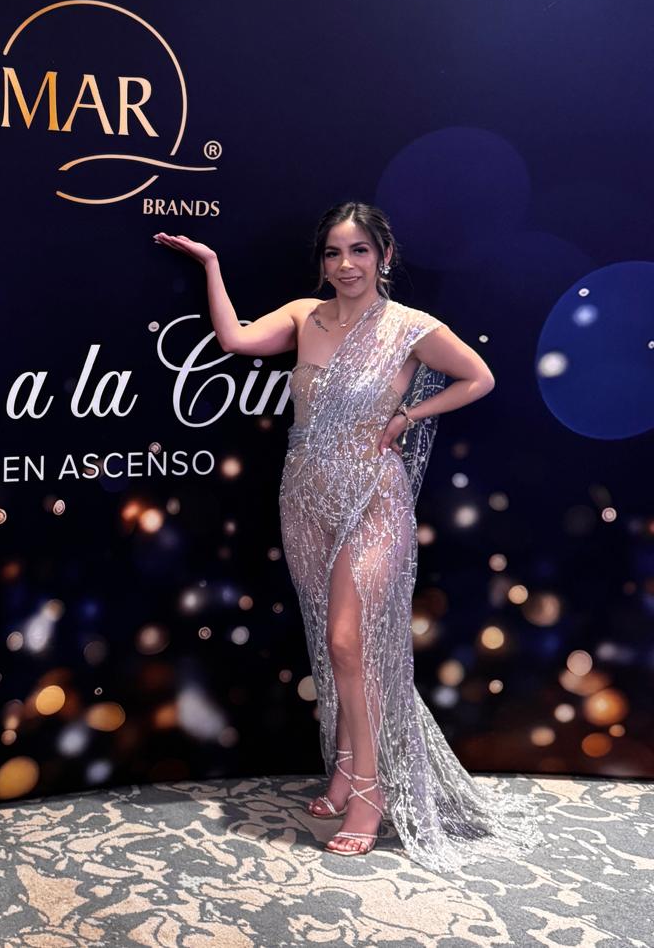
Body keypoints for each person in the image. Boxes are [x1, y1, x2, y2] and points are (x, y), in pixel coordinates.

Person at [155, 202, 541, 868]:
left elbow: (479, 377)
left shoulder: (409, 326)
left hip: (373, 499)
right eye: (334, 252)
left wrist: (410, 414)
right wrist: (211, 264)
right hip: (304, 496)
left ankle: (370, 790)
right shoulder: (303, 315)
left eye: (359, 250)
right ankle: (343, 767)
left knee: (348, 640)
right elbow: (235, 340)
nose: (346, 264)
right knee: (327, 640)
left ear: (384, 256)